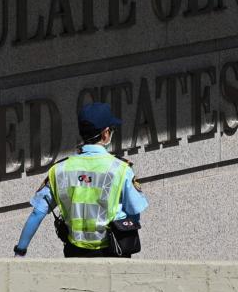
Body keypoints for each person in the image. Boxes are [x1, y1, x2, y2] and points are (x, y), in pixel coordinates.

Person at [13, 102, 148, 258]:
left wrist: (20, 252)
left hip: (74, 253)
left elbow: (38, 212)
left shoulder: (59, 170)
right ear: (105, 134)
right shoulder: (121, 169)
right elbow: (134, 213)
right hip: (112, 252)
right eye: (112, 130)